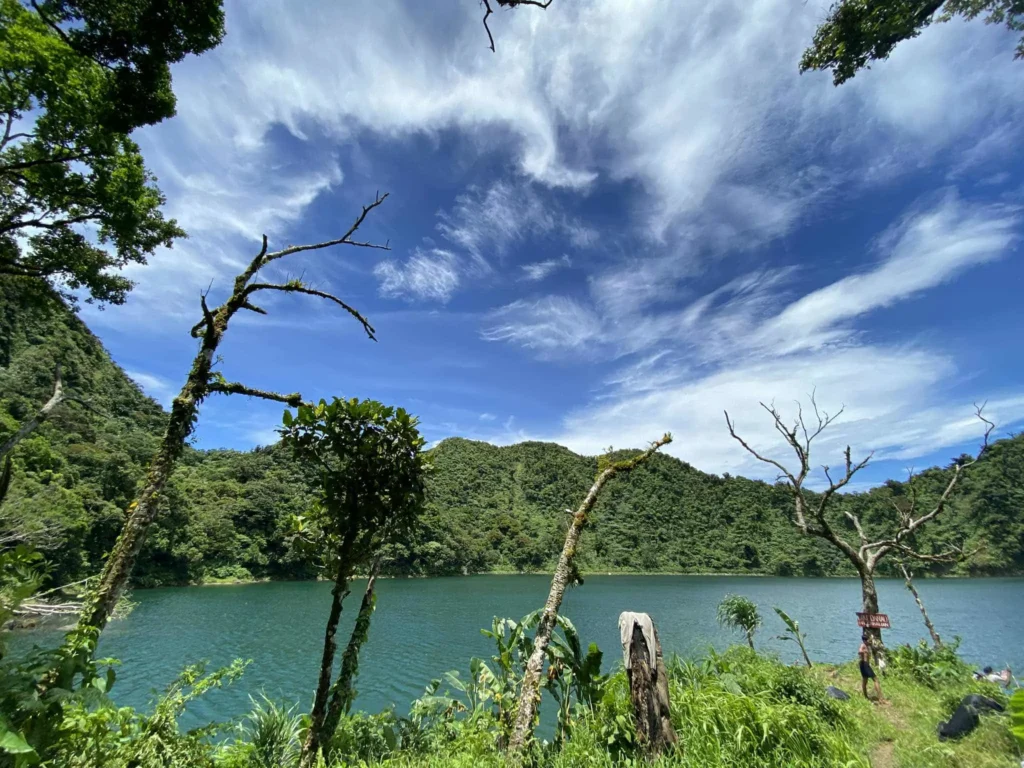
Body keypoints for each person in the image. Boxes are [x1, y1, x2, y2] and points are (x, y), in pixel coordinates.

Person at [859, 633, 886, 702]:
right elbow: (860, 651)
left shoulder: (867, 645)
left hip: (864, 664)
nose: (869, 641)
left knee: (865, 680)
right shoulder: (863, 645)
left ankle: (865, 696)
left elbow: (874, 648)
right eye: (868, 640)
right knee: (875, 679)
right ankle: (880, 698)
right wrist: (863, 652)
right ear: (865, 640)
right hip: (865, 665)